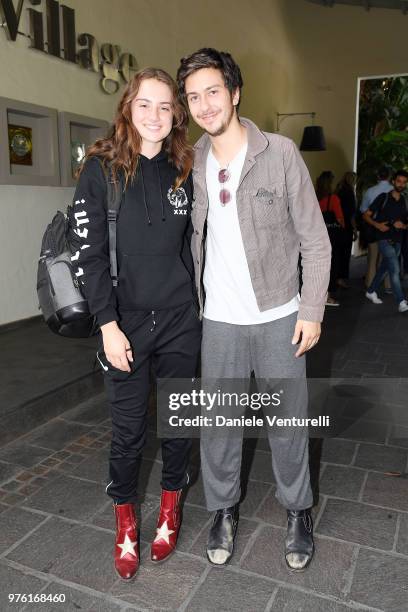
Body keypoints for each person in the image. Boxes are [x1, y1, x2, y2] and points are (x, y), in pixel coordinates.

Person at [177, 48, 331, 571]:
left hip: (279, 316)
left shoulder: (281, 153)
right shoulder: (191, 160)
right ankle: (222, 510)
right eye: (193, 96)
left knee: (288, 423)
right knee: (218, 423)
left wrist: (311, 309)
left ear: (235, 93)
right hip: (218, 320)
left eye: (212, 91)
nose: (204, 104)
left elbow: (316, 239)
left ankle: (298, 511)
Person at [68, 68, 201, 580]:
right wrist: (106, 323)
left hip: (180, 320)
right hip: (123, 324)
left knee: (177, 423)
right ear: (128, 107)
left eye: (165, 106)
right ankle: (126, 522)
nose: (154, 115)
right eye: (144, 104)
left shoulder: (185, 166)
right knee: (127, 434)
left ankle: (170, 508)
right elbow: (90, 253)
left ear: (176, 114)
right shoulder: (100, 168)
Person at [364, 170, 408, 312]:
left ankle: (371, 291)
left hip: (398, 239)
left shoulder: (405, 201)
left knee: (384, 268)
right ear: (393, 182)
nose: (401, 184)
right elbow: (366, 215)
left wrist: (403, 225)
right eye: (399, 181)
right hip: (384, 239)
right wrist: (378, 225)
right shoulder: (383, 198)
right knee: (394, 269)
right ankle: (401, 301)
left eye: (404, 182)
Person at [360, 166, 393, 288]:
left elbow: (363, 210)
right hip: (388, 229)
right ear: (390, 177)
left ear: (378, 176)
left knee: (372, 259)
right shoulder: (394, 191)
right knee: (387, 259)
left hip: (372, 227)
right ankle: (388, 285)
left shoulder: (370, 191)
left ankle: (369, 285)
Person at [316, 171, 345, 306]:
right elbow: (339, 219)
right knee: (331, 265)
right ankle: (327, 296)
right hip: (331, 237)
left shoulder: (314, 196)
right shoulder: (333, 199)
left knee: (317, 266)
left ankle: (316, 294)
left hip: (316, 236)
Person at [335, 171, 358, 288]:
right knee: (345, 254)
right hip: (346, 227)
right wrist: (355, 230)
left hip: (337, 226)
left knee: (337, 253)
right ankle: (341, 278)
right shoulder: (350, 194)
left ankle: (335, 277)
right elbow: (351, 215)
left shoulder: (338, 191)